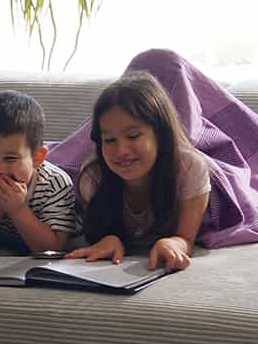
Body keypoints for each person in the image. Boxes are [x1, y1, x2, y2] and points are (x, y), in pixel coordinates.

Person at [66, 72, 210, 271]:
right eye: (109, 140)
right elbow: (97, 231)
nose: (121, 151)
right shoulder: (92, 177)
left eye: (133, 136)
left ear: (160, 133)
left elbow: (186, 238)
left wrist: (174, 243)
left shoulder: (189, 168)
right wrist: (108, 240)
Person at [0, 90, 81, 256]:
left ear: (37, 157)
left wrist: (17, 209)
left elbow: (54, 249)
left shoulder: (54, 183)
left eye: (10, 158)